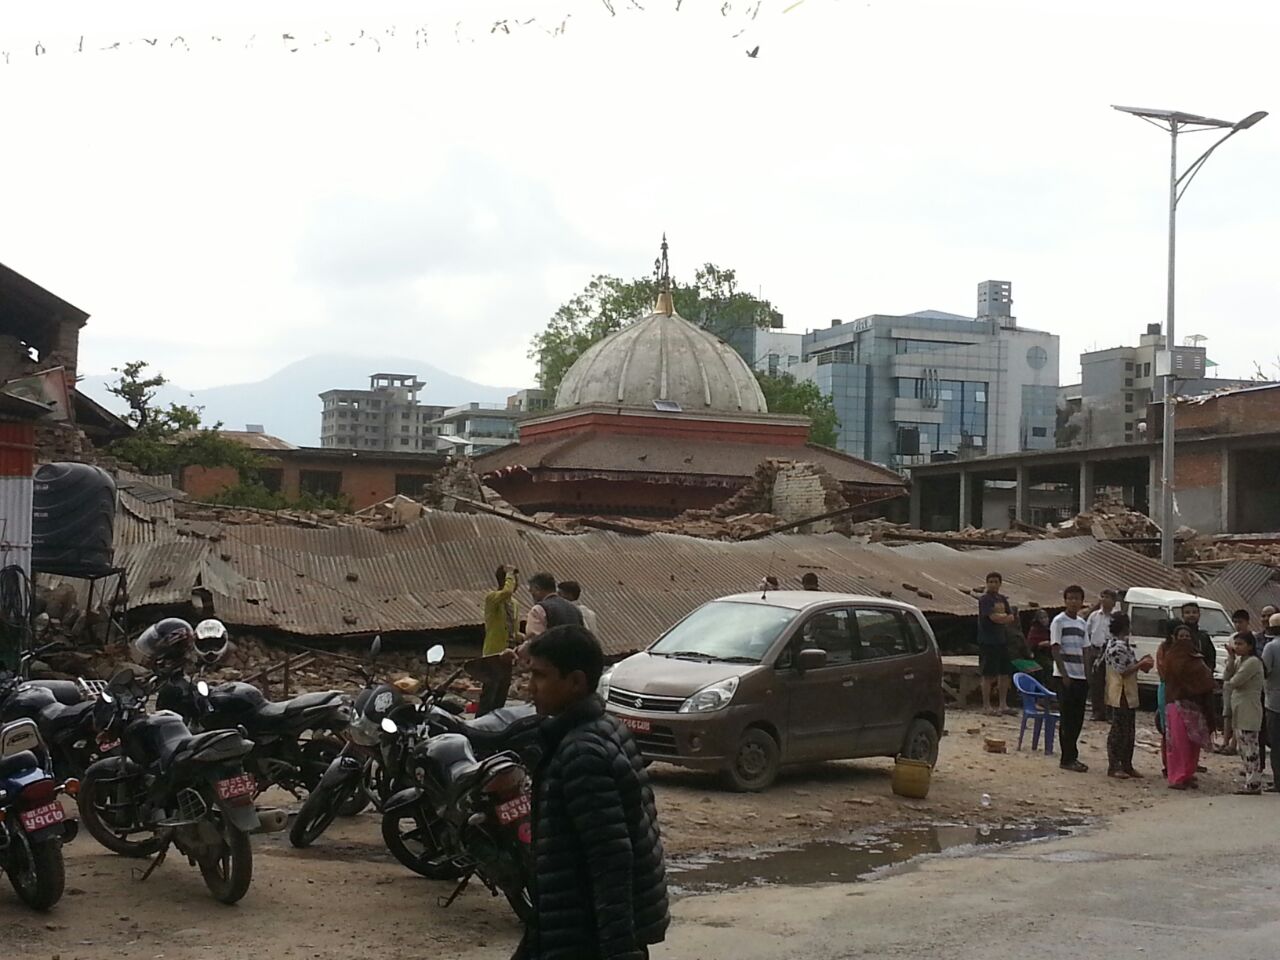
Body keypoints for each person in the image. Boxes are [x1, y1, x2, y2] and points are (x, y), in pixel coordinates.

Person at [519, 625, 669, 960]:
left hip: (586, 936)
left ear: (575, 681)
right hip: (565, 925)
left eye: (541, 677)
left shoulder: (582, 753)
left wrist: (619, 950)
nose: (531, 688)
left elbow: (611, 860)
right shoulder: (605, 728)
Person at [1157, 622, 1216, 790]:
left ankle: (1188, 774)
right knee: (1178, 743)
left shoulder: (1197, 657)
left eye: (1187, 637)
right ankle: (1176, 777)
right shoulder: (1171, 657)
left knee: (1193, 744)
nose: (1184, 640)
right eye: (1181, 636)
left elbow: (1205, 679)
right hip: (1177, 704)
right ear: (1175, 638)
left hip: (1194, 706)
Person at [1103, 612, 1154, 779]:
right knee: (1119, 730)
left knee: (1128, 730)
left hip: (1127, 691)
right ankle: (1115, 764)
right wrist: (1140, 664)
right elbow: (1123, 671)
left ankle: (1126, 764)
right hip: (1121, 691)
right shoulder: (1117, 647)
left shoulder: (1120, 645)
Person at [1050, 585, 1091, 773]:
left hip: (1080, 675)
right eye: (1070, 598)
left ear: (1082, 601)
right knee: (1067, 718)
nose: (1074, 602)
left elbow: (1086, 650)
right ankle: (1067, 758)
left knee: (1077, 718)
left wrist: (1088, 674)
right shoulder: (1059, 621)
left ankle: (1073, 754)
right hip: (1065, 676)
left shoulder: (1082, 624)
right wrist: (1064, 674)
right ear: (1065, 600)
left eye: (1077, 599)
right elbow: (1055, 648)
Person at [1222, 631, 1265, 795]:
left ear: (1250, 646)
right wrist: (1231, 659)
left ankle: (1254, 782)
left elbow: (1234, 681)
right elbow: (1227, 675)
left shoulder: (1253, 662)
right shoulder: (1240, 660)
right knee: (1243, 747)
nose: (1237, 647)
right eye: (1236, 643)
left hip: (1249, 708)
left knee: (1250, 747)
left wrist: (1229, 679)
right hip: (1239, 706)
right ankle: (1250, 780)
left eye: (1241, 644)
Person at [479, 566, 520, 716]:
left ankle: (495, 720)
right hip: (494, 652)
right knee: (490, 691)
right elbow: (506, 592)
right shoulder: (492, 598)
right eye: (513, 580)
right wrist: (510, 574)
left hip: (508, 653)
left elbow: (513, 632)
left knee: (502, 691)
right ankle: (481, 720)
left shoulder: (514, 604)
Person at [977, 572, 1017, 717]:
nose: (993, 584)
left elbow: (1011, 616)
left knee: (1004, 673)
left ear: (1000, 583)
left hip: (1002, 640)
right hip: (988, 641)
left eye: (996, 581)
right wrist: (1002, 617)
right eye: (991, 581)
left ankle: (1003, 704)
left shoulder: (1002, 599)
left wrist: (1002, 617)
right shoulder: (984, 600)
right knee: (988, 674)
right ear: (987, 583)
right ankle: (986, 706)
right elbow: (993, 618)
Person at [1084, 589, 1118, 721]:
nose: (1104, 600)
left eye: (1108, 597)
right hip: (1095, 650)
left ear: (1114, 602)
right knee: (1096, 683)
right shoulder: (1094, 616)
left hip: (1110, 652)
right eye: (1102, 596)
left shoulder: (1116, 617)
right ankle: (1097, 711)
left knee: (1110, 683)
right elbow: (1086, 633)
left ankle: (1110, 713)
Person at [1263, 613, 1280, 792]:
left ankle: (1278, 782)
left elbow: (1265, 671)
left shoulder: (1271, 647)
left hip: (1274, 701)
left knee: (1276, 744)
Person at [1025, 608, 1053, 675]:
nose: (1044, 620)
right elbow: (1030, 645)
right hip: (1038, 656)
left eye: (1045, 617)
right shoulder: (1035, 629)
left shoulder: (1049, 629)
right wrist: (1040, 644)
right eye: (1041, 618)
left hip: (1050, 654)